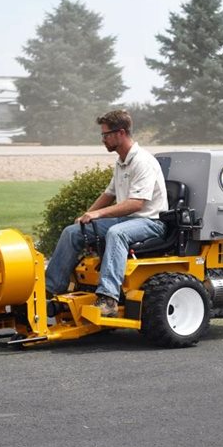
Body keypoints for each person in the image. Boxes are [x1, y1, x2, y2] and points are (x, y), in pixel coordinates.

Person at [45, 110, 168, 317]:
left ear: (120, 133)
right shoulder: (121, 162)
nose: (103, 139)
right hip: (127, 220)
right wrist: (86, 215)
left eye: (106, 134)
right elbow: (109, 194)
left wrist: (98, 215)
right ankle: (50, 289)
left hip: (150, 222)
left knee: (117, 233)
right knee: (72, 232)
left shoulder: (142, 161)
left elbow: (136, 204)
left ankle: (108, 299)